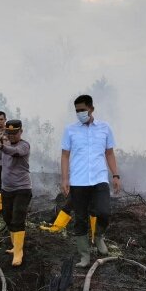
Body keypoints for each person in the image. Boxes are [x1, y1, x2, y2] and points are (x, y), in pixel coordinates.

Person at [61, 94, 121, 268]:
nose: (80, 113)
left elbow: (109, 153)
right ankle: (84, 256)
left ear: (91, 109)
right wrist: (65, 179)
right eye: (77, 110)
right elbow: (65, 155)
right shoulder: (70, 130)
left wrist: (115, 175)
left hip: (99, 179)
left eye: (83, 110)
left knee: (104, 212)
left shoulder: (104, 128)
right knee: (80, 219)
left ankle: (99, 236)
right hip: (78, 181)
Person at [0, 120, 31, 266]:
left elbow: (15, 152)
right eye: (9, 133)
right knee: (8, 219)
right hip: (6, 189)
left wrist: (1, 145)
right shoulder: (4, 145)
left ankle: (19, 253)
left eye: (15, 133)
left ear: (21, 132)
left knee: (17, 219)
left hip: (22, 189)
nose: (12, 136)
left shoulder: (24, 145)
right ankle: (15, 247)